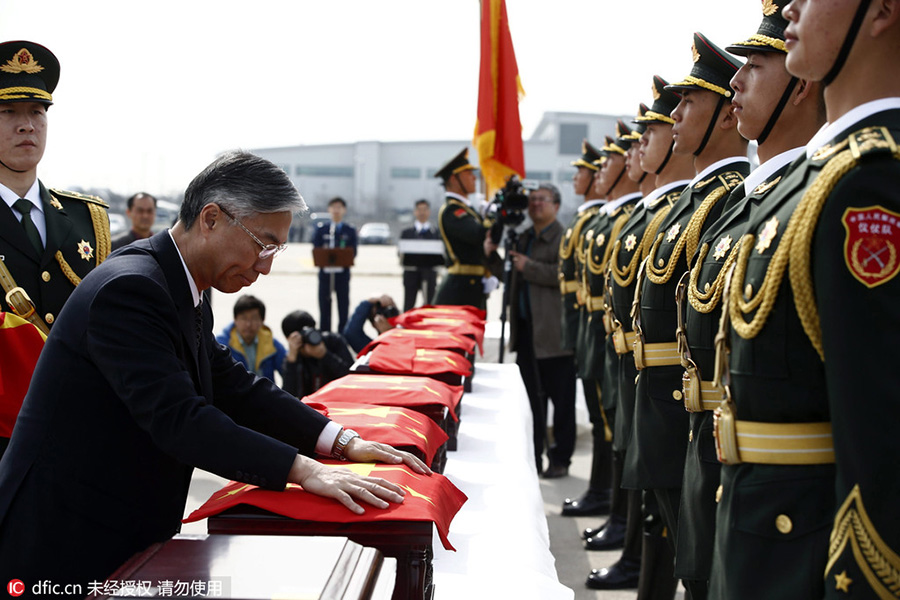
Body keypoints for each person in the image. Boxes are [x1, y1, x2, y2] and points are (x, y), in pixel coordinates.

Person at [0, 151, 430, 591]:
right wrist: (303, 470)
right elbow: (180, 420)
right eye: (262, 244)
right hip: (60, 541)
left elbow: (232, 386)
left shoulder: (182, 281)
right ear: (210, 219)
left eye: (277, 249)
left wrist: (340, 442)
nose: (266, 265)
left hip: (117, 527)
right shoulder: (132, 288)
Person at [712, 0, 900, 597]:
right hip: (762, 536)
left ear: (882, 13)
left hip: (808, 558)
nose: (791, 6)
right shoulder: (815, 176)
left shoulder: (873, 180)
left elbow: (883, 442)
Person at [675, 6, 824, 599]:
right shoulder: (756, 201)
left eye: (755, 65)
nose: (737, 80)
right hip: (723, 460)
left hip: (789, 512)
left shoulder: (825, 194)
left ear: (800, 85)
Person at [625, 32, 750, 599]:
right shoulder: (692, 203)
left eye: (689, 102)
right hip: (666, 401)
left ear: (727, 115)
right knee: (678, 542)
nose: (675, 115)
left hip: (691, 412)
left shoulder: (727, 199)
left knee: (699, 567)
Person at [588, 75, 696, 592]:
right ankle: (633, 555)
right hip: (635, 366)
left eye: (647, 135)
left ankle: (638, 563)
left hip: (674, 388)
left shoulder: (701, 207)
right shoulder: (665, 210)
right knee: (650, 492)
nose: (635, 151)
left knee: (680, 525)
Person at [0, 41, 110, 460]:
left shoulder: (88, 219)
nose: (26, 125)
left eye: (37, 112)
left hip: (73, 435)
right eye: (8, 112)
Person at [507, 183, 577, 478]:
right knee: (532, 401)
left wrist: (529, 266)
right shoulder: (524, 237)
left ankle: (560, 458)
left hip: (553, 334)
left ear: (556, 205)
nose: (535, 204)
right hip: (526, 332)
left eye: (542, 200)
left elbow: (564, 274)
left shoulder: (563, 237)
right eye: (532, 200)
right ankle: (533, 456)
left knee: (561, 401)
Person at [559, 140, 612, 516]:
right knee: (600, 422)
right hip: (584, 333)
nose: (577, 176)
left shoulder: (601, 222)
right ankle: (602, 492)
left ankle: (604, 493)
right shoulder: (586, 221)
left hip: (599, 336)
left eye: (583, 170)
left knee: (606, 425)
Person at [432, 148, 499, 310]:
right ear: (454, 179)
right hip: (459, 290)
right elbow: (478, 235)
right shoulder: (452, 211)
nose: (474, 178)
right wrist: (492, 216)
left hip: (471, 286)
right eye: (468, 173)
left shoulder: (467, 209)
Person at [281, 309, 354, 398]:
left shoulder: (332, 342)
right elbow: (288, 396)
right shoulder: (294, 357)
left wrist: (325, 355)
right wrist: (291, 361)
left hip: (338, 402)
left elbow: (352, 378)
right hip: (308, 408)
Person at [215, 294, 286, 381]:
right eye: (244, 318)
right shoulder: (221, 344)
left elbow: (287, 373)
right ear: (235, 320)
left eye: (254, 318)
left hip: (265, 393)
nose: (248, 324)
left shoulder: (271, 343)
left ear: (262, 321)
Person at [312, 196, 357, 332]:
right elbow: (316, 249)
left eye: (339, 207)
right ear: (329, 209)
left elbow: (353, 252)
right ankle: (325, 334)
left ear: (344, 210)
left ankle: (342, 335)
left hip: (342, 275)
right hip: (325, 275)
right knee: (324, 306)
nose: (336, 210)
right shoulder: (322, 229)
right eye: (333, 207)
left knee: (343, 306)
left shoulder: (349, 230)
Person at [399, 199, 443, 311]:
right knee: (408, 305)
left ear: (429, 212)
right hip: (410, 274)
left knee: (429, 304)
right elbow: (400, 253)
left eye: (424, 209)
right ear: (415, 212)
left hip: (429, 273)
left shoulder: (436, 233)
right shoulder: (406, 233)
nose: (422, 213)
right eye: (419, 210)